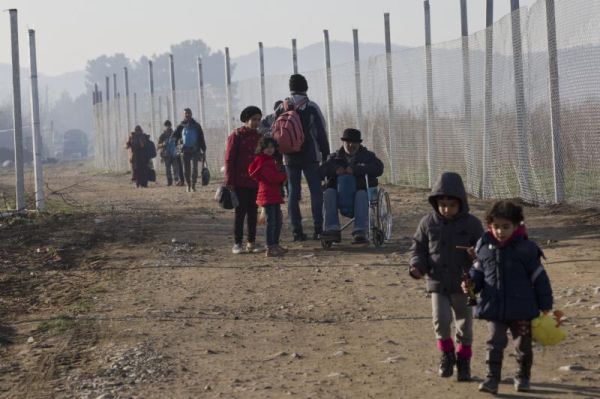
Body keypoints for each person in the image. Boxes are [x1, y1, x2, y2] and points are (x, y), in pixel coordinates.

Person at [464, 200, 553, 394]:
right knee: (494, 341)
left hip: (522, 309)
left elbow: (540, 279)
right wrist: (470, 284)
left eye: (506, 227)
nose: (500, 231)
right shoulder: (484, 248)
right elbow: (478, 275)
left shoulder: (527, 249)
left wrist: (546, 305)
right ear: (489, 226)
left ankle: (523, 377)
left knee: (523, 344)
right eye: (496, 226)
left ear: (516, 225)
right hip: (495, 308)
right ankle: (491, 379)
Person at [409, 172, 484, 382]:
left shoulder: (472, 224)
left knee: (465, 326)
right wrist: (417, 267)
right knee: (440, 322)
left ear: (461, 203)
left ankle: (464, 362)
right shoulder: (427, 223)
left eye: (451, 205)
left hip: (465, 284)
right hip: (438, 282)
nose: (446, 209)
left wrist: (476, 254)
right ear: (436, 202)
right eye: (442, 204)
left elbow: (486, 252)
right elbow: (419, 249)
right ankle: (447, 354)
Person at [276, 74, 330, 241]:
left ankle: (296, 231)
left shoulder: (282, 107)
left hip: (289, 156)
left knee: (293, 192)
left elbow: (275, 131)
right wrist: (325, 153)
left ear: (290, 88)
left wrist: (278, 157)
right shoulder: (311, 106)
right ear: (306, 87)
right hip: (310, 155)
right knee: (315, 191)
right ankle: (318, 228)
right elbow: (321, 131)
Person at [319, 128, 384, 244]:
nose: (351, 145)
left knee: (361, 194)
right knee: (328, 193)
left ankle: (360, 231)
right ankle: (332, 229)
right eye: (348, 142)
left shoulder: (368, 156)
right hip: (339, 193)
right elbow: (321, 170)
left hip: (360, 191)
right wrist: (335, 169)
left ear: (359, 143)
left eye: (354, 142)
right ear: (343, 142)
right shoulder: (335, 157)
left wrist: (356, 169)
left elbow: (379, 168)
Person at [225, 106, 264, 254]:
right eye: (254, 119)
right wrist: (229, 180)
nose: (256, 122)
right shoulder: (236, 136)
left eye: (259, 120)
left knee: (253, 212)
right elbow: (229, 159)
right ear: (246, 119)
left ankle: (251, 242)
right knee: (240, 213)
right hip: (239, 181)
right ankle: (237, 243)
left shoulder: (260, 137)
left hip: (255, 181)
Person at [248, 137, 288, 257]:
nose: (270, 150)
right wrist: (284, 176)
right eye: (267, 147)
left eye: (272, 147)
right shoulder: (263, 161)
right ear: (262, 149)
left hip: (272, 194)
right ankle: (270, 246)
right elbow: (271, 177)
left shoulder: (269, 160)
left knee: (277, 220)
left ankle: (275, 244)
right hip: (268, 195)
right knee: (272, 222)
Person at [174, 108, 206, 192]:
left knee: (194, 169)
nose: (187, 115)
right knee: (186, 170)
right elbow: (174, 136)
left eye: (188, 113)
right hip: (184, 151)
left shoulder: (196, 125)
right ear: (184, 115)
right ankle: (188, 184)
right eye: (185, 113)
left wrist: (204, 149)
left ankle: (193, 185)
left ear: (191, 114)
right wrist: (177, 144)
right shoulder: (181, 126)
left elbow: (201, 137)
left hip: (195, 150)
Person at [157, 120, 179, 186]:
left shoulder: (175, 134)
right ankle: (169, 181)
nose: (168, 127)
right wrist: (163, 144)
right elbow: (158, 145)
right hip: (166, 154)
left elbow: (178, 143)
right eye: (166, 126)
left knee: (175, 168)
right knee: (168, 169)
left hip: (174, 154)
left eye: (168, 125)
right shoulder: (162, 136)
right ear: (165, 127)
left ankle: (176, 180)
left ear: (170, 126)